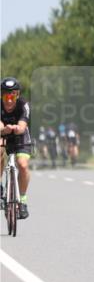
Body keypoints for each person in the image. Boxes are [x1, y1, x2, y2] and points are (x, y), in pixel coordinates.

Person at [0, 77, 33, 218]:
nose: (9, 99)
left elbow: (22, 127)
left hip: (20, 135)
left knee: (23, 165)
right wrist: (5, 129)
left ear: (17, 95)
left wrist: (15, 128)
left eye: (12, 95)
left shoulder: (23, 105)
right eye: (6, 95)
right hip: (3, 133)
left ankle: (23, 200)